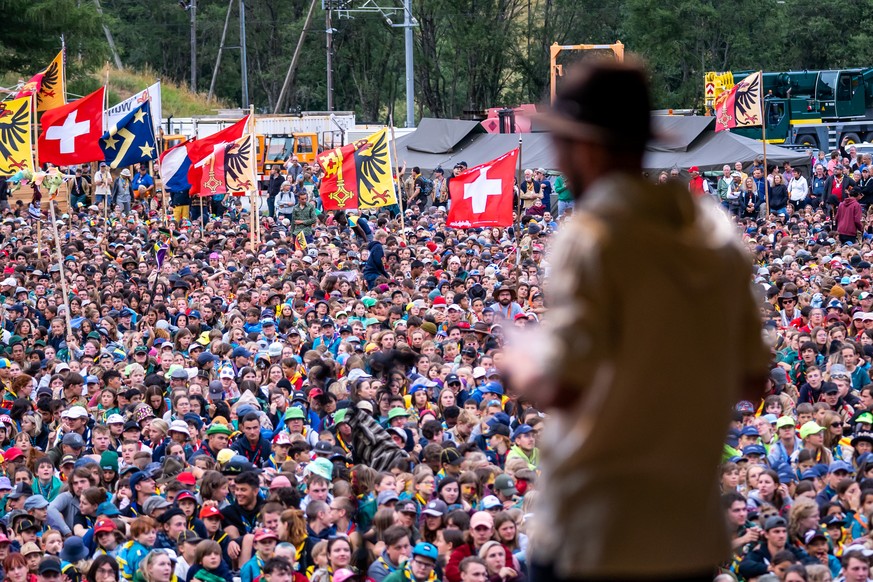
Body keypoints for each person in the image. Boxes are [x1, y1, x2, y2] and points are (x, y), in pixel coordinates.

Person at [510, 59, 769, 581]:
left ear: (585, 146)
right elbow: (753, 378)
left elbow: (563, 384)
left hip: (597, 533)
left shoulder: (593, 238)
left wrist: (522, 359)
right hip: (686, 537)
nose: (557, 160)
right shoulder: (715, 236)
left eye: (560, 145)